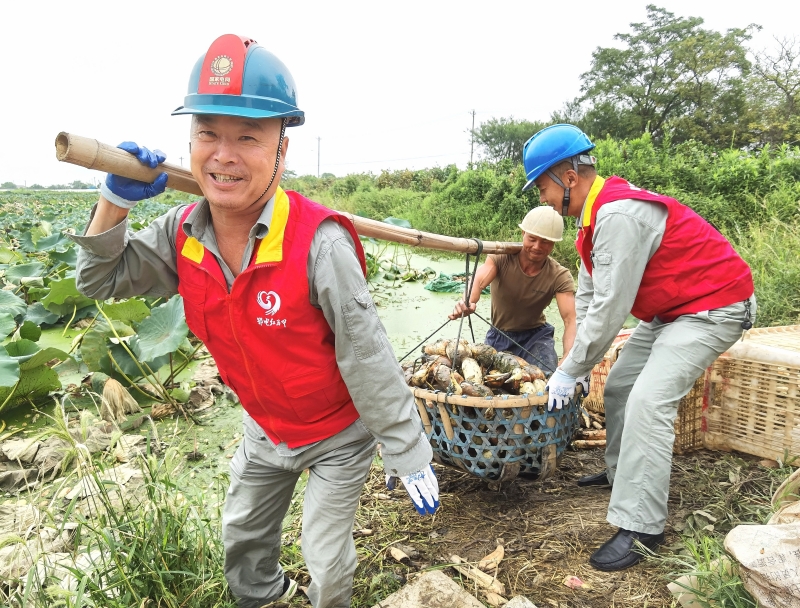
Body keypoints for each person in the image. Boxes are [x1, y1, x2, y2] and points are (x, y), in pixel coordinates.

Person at [71, 34, 438, 608]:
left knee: (325, 555)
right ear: (189, 141)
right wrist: (114, 199)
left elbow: (366, 355)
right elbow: (98, 281)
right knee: (241, 536)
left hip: (338, 433)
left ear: (281, 150)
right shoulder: (181, 233)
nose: (224, 155)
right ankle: (263, 597)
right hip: (266, 425)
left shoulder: (320, 243)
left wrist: (406, 447)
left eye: (247, 137)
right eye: (208, 135)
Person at [522, 124, 755, 571]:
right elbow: (590, 300)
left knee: (649, 401)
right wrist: (577, 364)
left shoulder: (619, 216)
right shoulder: (590, 223)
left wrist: (569, 369)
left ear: (568, 177)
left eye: (543, 186)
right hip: (670, 311)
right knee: (620, 387)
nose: (542, 198)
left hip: (714, 306)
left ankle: (643, 527)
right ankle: (621, 476)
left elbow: (611, 308)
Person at [448, 206, 577, 373]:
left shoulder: (560, 276)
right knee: (487, 382)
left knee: (545, 378)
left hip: (536, 338)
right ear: (523, 234)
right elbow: (479, 280)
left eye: (545, 241)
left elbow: (570, 319)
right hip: (498, 335)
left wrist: (568, 355)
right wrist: (468, 301)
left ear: (553, 243)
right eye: (532, 239)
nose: (537, 246)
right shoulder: (502, 257)